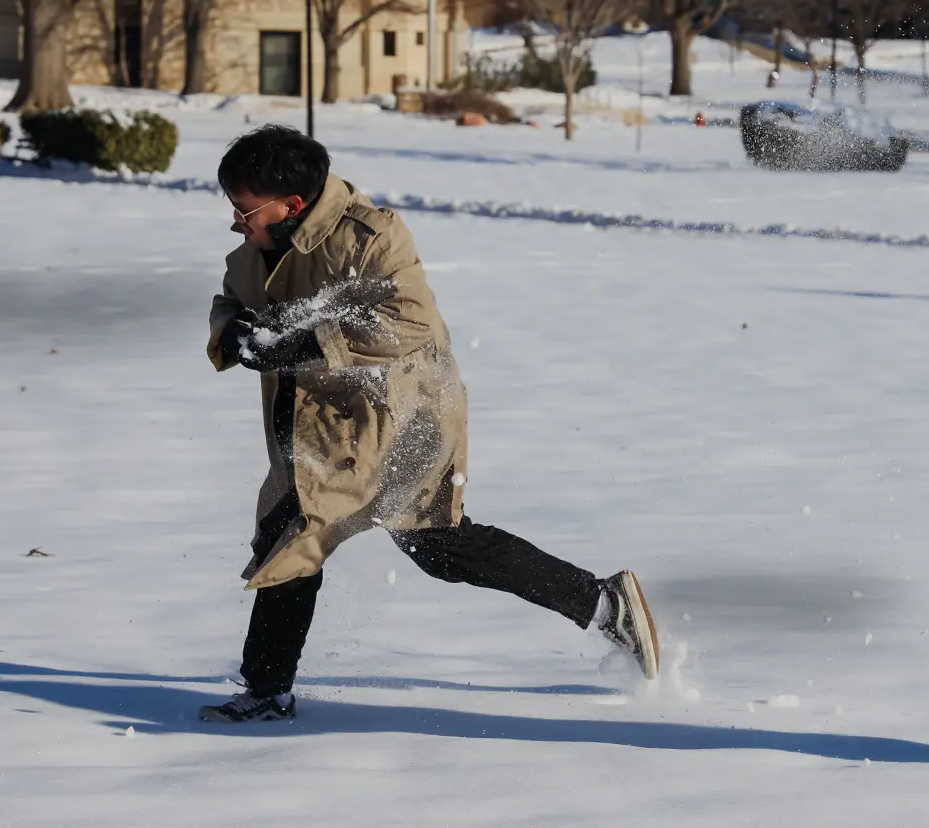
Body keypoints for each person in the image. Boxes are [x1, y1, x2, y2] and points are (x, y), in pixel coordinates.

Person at [198, 125, 659, 723]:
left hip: (400, 415)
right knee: (336, 541)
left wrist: (304, 342)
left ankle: (265, 693)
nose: (235, 222)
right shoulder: (265, 245)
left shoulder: (372, 237)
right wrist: (232, 329)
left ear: (291, 205)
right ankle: (602, 604)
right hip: (320, 423)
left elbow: (408, 322)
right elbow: (233, 297)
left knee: (350, 537)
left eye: (243, 209)